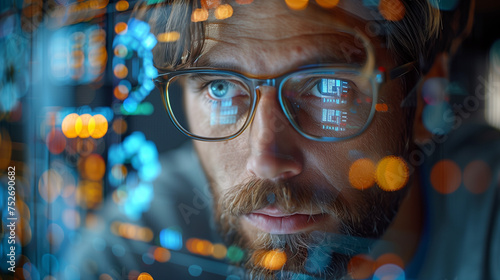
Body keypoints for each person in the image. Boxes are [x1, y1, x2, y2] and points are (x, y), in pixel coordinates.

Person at [68, 0, 500, 279]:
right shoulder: (135, 249)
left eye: (328, 87)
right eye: (220, 87)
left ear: (428, 101)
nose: (266, 160)